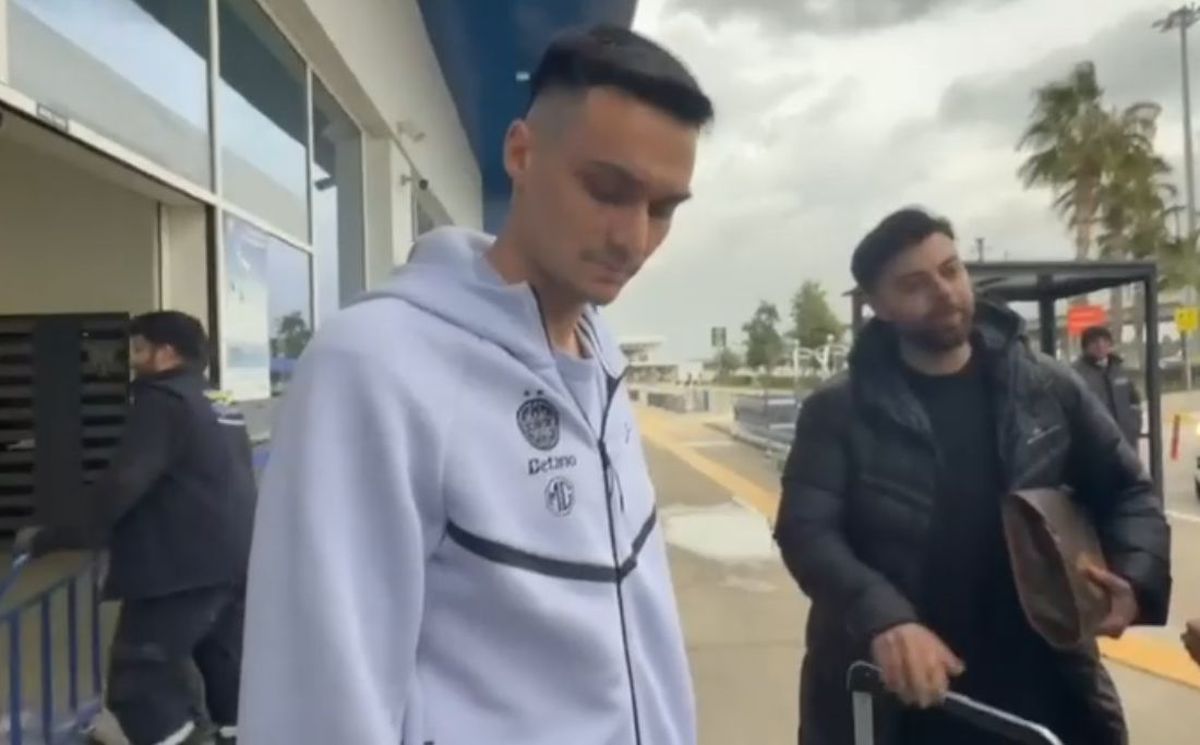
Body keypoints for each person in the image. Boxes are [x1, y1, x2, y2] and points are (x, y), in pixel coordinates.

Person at [238, 25, 713, 745]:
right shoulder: (375, 366)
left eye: (663, 208)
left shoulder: (602, 356)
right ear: (520, 153)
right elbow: (317, 701)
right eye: (606, 190)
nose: (634, 238)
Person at [774, 208, 1171, 745]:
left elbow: (1127, 492)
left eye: (951, 269)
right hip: (901, 699)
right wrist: (883, 618)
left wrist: (1134, 577)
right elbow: (806, 531)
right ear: (878, 306)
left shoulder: (1046, 387)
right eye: (914, 284)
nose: (943, 292)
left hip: (1043, 691)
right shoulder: (839, 410)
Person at [14, 311, 256, 745]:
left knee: (140, 680)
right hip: (232, 561)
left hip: (179, 568)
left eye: (139, 349)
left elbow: (124, 482)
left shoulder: (162, 400)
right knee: (222, 672)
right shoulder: (218, 401)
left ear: (166, 353)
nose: (132, 359)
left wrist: (55, 537)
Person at [1074, 325, 1143, 447]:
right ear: (1085, 347)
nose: (1100, 345)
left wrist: (1134, 425)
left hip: (1126, 439)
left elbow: (1134, 400)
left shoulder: (1120, 369)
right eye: (1094, 342)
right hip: (1095, 442)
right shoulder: (1076, 374)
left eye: (1105, 341)